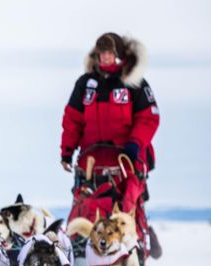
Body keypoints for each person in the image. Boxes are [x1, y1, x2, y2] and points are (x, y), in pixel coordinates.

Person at [59, 33, 159, 212]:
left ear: (119, 54)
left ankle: (137, 239)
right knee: (84, 217)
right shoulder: (86, 84)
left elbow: (148, 118)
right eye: (101, 53)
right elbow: (72, 119)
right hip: (91, 164)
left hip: (125, 162)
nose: (105, 57)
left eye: (109, 53)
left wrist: (135, 144)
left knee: (126, 218)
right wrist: (67, 151)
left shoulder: (134, 83)